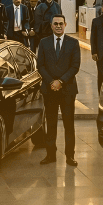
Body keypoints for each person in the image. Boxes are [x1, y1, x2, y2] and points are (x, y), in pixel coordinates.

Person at [37, 14, 80, 166]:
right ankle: (50, 155)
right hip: (50, 90)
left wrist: (61, 81)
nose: (58, 26)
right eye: (55, 23)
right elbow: (40, 65)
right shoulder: (44, 43)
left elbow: (75, 66)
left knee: (69, 124)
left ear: (65, 24)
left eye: (61, 23)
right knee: (51, 123)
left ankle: (70, 156)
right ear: (51, 25)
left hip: (67, 90)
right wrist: (51, 82)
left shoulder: (73, 43)